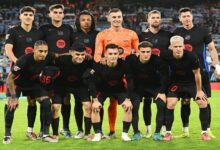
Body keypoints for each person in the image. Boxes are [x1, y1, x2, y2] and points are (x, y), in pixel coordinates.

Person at [173, 7, 220, 138]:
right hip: (184, 73)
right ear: (180, 18)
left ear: (192, 16)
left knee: (205, 101)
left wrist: (217, 66)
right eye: (184, 16)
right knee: (185, 101)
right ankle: (185, 130)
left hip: (202, 71)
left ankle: (207, 130)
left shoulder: (202, 31)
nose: (186, 18)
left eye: (188, 15)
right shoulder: (177, 32)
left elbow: (212, 49)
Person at [94, 8, 139, 137]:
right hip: (109, 72)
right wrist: (102, 64)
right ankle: (111, 130)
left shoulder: (131, 34)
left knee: (132, 101)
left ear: (122, 17)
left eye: (118, 16)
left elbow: (138, 53)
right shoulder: (102, 35)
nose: (116, 19)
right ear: (108, 18)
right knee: (111, 102)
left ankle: (135, 131)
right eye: (113, 17)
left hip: (127, 72)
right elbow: (97, 55)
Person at [5, 40, 59, 143]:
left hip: (33, 83)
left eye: (45, 51)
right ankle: (7, 135)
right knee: (11, 105)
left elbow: (58, 55)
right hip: (17, 83)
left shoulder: (48, 56)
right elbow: (10, 79)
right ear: (34, 50)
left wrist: (73, 54)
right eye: (40, 51)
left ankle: (45, 135)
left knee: (47, 102)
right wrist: (13, 97)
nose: (43, 54)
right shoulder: (23, 60)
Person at [3, 6, 43, 143]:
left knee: (32, 102)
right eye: (25, 14)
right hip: (17, 74)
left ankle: (30, 131)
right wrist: (19, 63)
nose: (28, 16)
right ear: (20, 16)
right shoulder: (13, 31)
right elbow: (8, 50)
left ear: (33, 17)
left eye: (30, 14)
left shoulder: (38, 32)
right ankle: (7, 134)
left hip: (33, 75)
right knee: (11, 102)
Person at [162, 36, 211, 141]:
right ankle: (168, 133)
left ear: (183, 46)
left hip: (192, 83)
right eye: (176, 46)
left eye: (180, 46)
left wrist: (199, 91)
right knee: (170, 103)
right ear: (171, 47)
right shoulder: (166, 55)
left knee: (203, 102)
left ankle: (204, 133)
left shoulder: (192, 56)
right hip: (176, 83)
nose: (178, 48)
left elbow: (197, 74)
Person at [40, 4, 74, 138]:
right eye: (55, 12)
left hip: (64, 69)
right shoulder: (44, 29)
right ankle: (43, 129)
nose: (58, 14)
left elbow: (72, 49)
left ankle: (65, 128)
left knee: (66, 99)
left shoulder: (68, 29)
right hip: (47, 69)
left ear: (63, 14)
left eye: (60, 12)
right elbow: (39, 47)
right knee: (46, 100)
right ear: (50, 14)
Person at [87, 44, 133, 142]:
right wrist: (95, 100)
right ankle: (97, 134)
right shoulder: (99, 65)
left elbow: (131, 81)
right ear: (105, 55)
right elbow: (91, 82)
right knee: (95, 108)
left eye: (115, 53)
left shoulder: (124, 64)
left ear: (118, 54)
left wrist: (128, 99)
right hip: (102, 90)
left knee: (128, 106)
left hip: (119, 90)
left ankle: (125, 134)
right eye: (110, 54)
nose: (113, 56)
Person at [138, 10, 172, 137]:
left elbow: (172, 53)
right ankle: (148, 129)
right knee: (146, 102)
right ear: (148, 20)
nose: (156, 19)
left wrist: (159, 53)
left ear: (161, 20)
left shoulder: (168, 35)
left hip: (163, 75)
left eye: (158, 17)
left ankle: (163, 128)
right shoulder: (141, 36)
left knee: (162, 102)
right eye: (153, 17)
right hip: (146, 75)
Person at [126, 41, 169, 141]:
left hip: (153, 87)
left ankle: (157, 133)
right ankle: (136, 132)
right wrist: (128, 97)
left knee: (161, 104)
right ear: (138, 52)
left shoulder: (157, 60)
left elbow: (164, 76)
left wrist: (162, 92)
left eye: (148, 52)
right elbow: (130, 79)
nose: (146, 54)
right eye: (143, 51)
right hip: (137, 87)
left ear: (151, 52)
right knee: (134, 106)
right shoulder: (131, 59)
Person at [51, 44, 93, 141]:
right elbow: (48, 64)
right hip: (61, 85)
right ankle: (55, 134)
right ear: (71, 53)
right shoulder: (61, 60)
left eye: (82, 54)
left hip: (79, 85)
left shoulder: (88, 60)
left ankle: (87, 133)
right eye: (77, 54)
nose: (80, 57)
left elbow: (96, 67)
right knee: (55, 107)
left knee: (87, 105)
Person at [72, 10, 99, 139]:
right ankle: (80, 130)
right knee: (79, 103)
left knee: (96, 101)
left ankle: (97, 129)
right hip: (78, 73)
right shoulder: (73, 35)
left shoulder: (98, 35)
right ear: (79, 22)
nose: (86, 22)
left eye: (89, 19)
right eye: (83, 19)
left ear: (92, 21)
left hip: (95, 72)